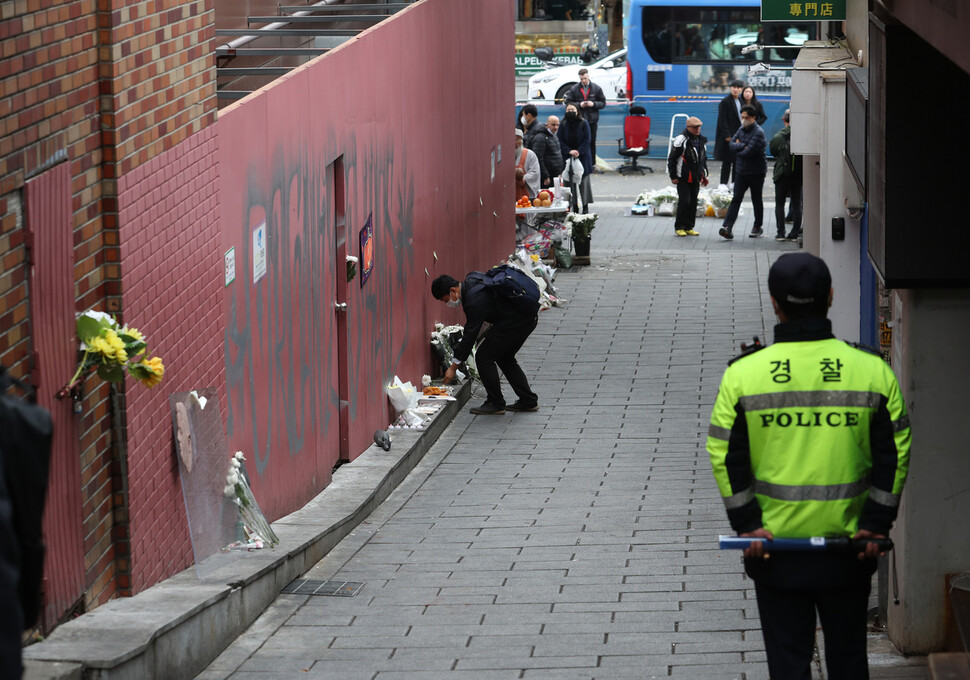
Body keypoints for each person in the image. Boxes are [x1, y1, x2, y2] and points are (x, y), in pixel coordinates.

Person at [707, 252, 911, 680]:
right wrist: (876, 523)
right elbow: (895, 449)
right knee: (849, 660)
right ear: (831, 297)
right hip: (849, 548)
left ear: (774, 302)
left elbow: (725, 454)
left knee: (788, 666)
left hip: (774, 550)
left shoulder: (745, 375)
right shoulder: (871, 370)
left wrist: (748, 525)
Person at [431, 273, 540, 415]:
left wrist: (453, 367)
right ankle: (528, 400)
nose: (447, 303)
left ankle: (496, 403)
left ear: (452, 291)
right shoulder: (472, 280)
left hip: (516, 322)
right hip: (525, 318)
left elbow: (470, 335)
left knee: (483, 357)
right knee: (504, 358)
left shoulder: (473, 300)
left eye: (445, 300)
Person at [718, 105, 767, 240]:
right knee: (736, 199)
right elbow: (732, 144)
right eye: (742, 117)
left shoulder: (758, 132)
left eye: (746, 117)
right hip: (741, 171)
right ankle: (727, 227)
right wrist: (742, 146)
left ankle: (757, 226)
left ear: (753, 118)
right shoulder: (741, 129)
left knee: (756, 199)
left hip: (756, 172)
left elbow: (749, 152)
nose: (743, 120)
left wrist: (741, 148)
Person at [667, 116, 709, 237]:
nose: (698, 129)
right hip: (683, 177)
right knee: (685, 201)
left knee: (693, 202)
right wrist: (673, 176)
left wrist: (705, 175)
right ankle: (679, 226)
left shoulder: (701, 140)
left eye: (699, 127)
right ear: (688, 127)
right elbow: (672, 159)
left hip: (696, 176)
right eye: (695, 128)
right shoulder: (681, 140)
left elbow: (702, 160)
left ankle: (689, 226)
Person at [770, 109, 803, 242]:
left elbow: (773, 151)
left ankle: (780, 233)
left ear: (784, 120)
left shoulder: (779, 136)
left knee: (779, 203)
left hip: (782, 174)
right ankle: (794, 233)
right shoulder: (801, 135)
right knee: (796, 203)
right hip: (797, 175)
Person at [563, 68, 606, 167]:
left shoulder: (596, 88)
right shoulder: (574, 89)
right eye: (581, 79)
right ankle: (580, 162)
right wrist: (579, 105)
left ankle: (592, 163)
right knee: (579, 141)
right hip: (579, 120)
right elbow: (568, 102)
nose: (583, 81)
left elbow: (603, 103)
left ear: (588, 76)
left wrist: (593, 104)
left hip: (592, 121)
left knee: (591, 142)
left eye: (585, 78)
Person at [556, 103, 594, 213]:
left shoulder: (584, 123)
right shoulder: (563, 124)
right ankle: (573, 206)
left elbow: (587, 140)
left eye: (573, 109)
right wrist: (569, 151)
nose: (570, 112)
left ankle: (585, 207)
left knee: (584, 184)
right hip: (568, 158)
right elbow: (560, 140)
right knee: (569, 184)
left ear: (577, 111)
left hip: (582, 158)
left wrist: (578, 151)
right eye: (568, 110)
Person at [715, 79, 744, 186]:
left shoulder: (741, 101)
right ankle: (723, 183)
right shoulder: (725, 102)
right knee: (727, 161)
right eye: (734, 87)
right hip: (729, 137)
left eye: (738, 88)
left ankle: (734, 182)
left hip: (739, 136)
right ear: (730, 88)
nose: (736, 90)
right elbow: (722, 120)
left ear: (741, 89)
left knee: (737, 161)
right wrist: (727, 135)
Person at [531, 115, 565, 189]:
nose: (555, 127)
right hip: (547, 177)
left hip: (554, 176)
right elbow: (538, 158)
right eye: (553, 125)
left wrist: (559, 173)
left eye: (557, 125)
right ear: (547, 124)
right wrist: (545, 176)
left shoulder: (554, 136)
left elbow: (557, 155)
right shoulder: (540, 137)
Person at [514, 128, 540, 200]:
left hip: (526, 194)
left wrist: (524, 178)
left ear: (521, 141)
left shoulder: (530, 154)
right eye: (513, 140)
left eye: (517, 140)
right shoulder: (505, 155)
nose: (515, 143)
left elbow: (535, 172)